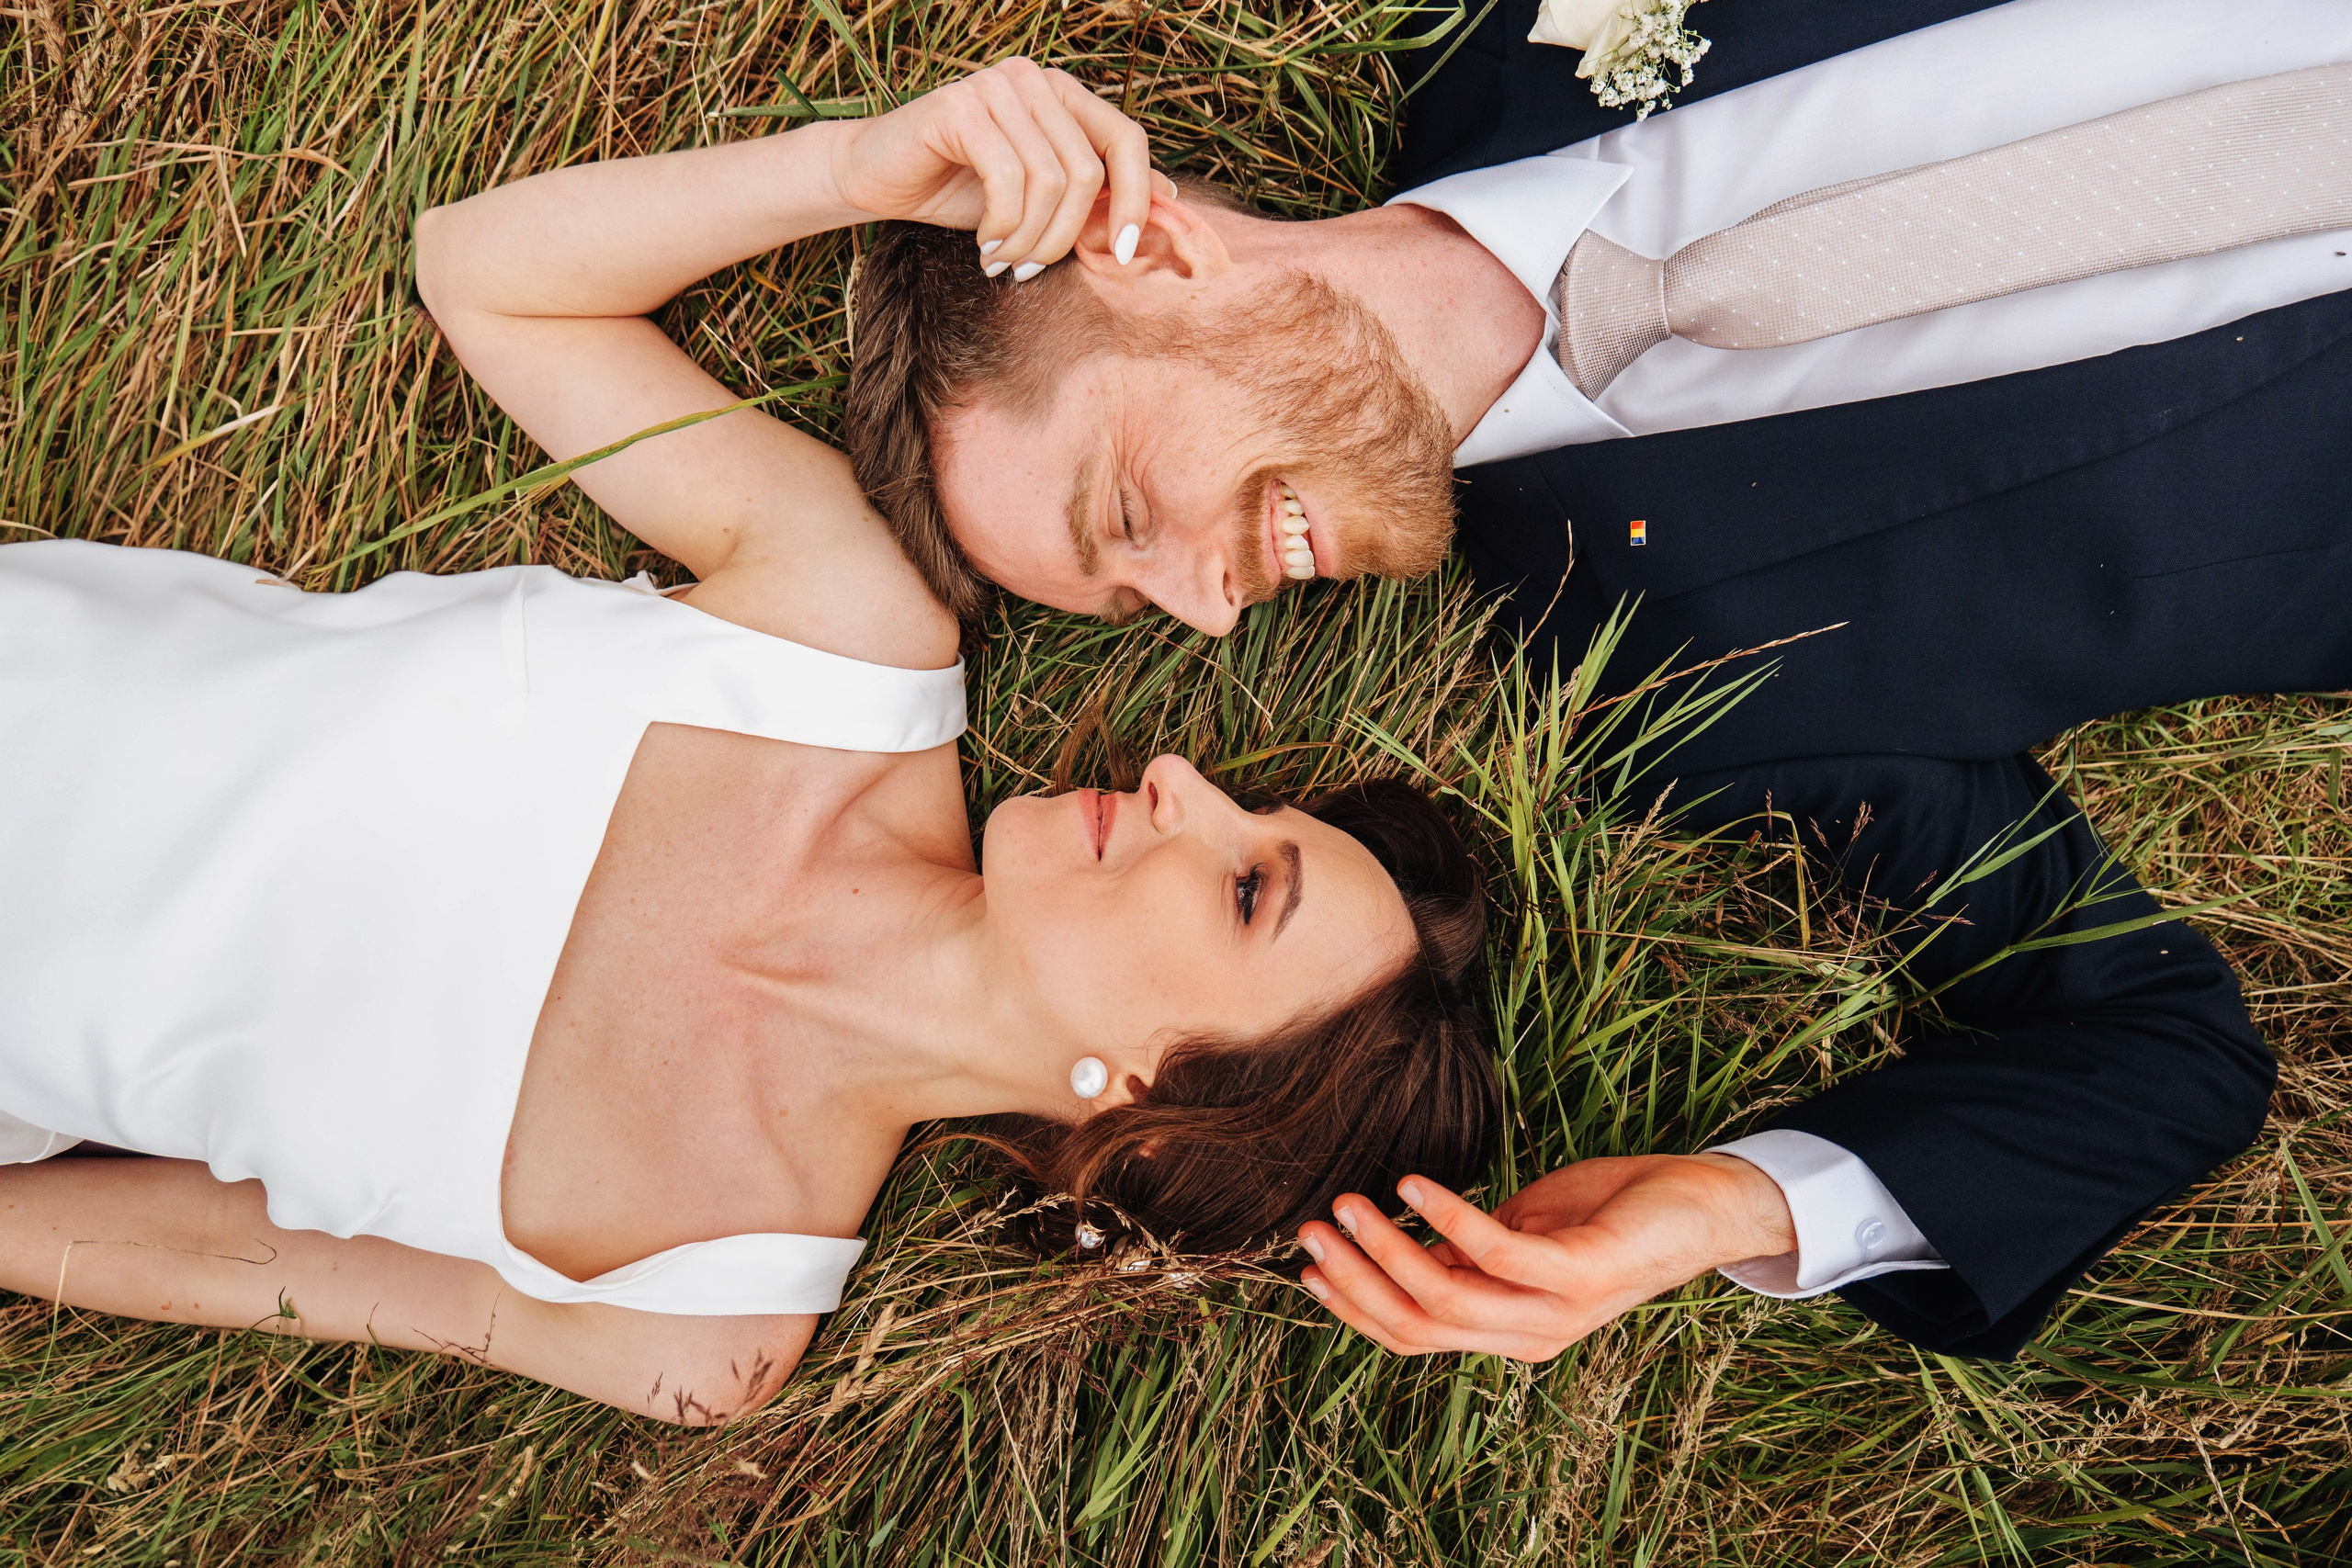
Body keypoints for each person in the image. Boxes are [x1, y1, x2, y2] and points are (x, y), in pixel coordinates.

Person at [844, 0, 2346, 1360]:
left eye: (1124, 516)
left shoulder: (1503, 37)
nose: (1207, 608)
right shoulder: (1674, 680)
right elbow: (2163, 1047)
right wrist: (1728, 1210)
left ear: (1150, 251)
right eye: (1132, 602)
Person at [0, 73, 1502, 1423]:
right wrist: (857, 166)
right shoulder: (849, 646)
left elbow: (242, 1262)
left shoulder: (704, 1321)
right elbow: (492, 281)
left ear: (1149, 1117)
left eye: (1247, 890)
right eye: (1260, 822)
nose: (1184, 783)